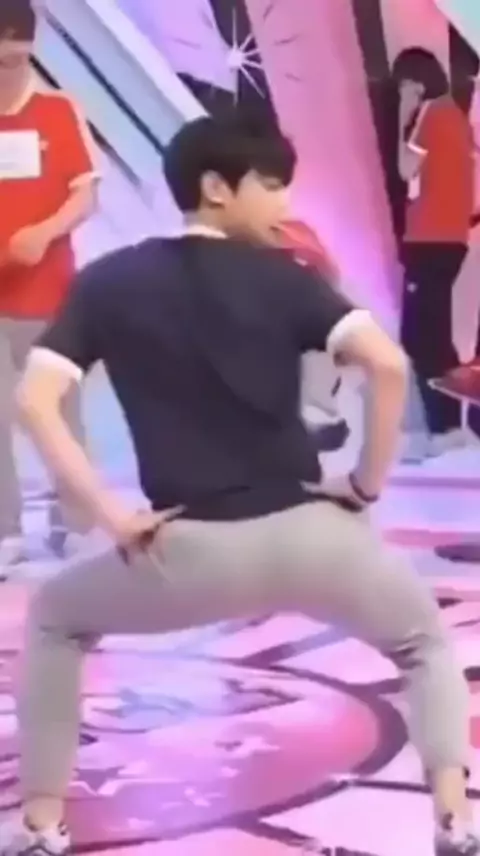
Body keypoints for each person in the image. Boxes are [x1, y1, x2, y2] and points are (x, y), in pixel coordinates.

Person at [3, 112, 475, 856]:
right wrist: (364, 485)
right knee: (423, 646)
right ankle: (454, 817)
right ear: (216, 188)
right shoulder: (288, 277)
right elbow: (387, 366)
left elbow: (36, 401)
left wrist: (111, 516)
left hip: (190, 551)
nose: (285, 204)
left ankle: (39, 825)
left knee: (57, 620)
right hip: (318, 540)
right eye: (272, 185)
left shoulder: (109, 282)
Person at [0, 0, 98, 572]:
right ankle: (5, 530)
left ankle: (77, 520)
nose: (5, 72)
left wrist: (44, 232)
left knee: (58, 411)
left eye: (13, 60)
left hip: (48, 294)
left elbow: (85, 194)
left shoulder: (59, 111)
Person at [392, 47, 475, 459]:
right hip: (450, 237)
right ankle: (448, 426)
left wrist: (402, 115)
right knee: (434, 332)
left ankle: (444, 427)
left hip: (430, 238)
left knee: (421, 334)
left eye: (403, 84)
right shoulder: (455, 116)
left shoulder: (431, 113)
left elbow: (405, 169)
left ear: (415, 82)